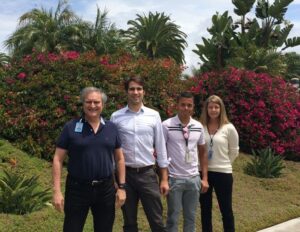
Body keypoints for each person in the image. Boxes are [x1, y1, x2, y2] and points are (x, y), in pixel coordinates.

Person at [52, 87, 126, 232]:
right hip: (77, 188)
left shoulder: (112, 128)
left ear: (102, 105)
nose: (93, 106)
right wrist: (56, 191)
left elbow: (120, 159)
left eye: (96, 102)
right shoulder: (71, 127)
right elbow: (57, 159)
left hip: (105, 189)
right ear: (83, 104)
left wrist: (122, 187)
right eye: (88, 102)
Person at [110, 76, 169, 232]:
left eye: (139, 89)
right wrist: (114, 179)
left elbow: (161, 148)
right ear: (126, 92)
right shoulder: (116, 117)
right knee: (129, 222)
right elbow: (111, 151)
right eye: (132, 89)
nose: (135, 92)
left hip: (148, 174)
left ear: (144, 92)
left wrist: (163, 179)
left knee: (156, 220)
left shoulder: (154, 115)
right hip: (125, 176)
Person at [162, 92, 209, 232]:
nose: (186, 108)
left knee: (191, 217)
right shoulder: (166, 125)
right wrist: (164, 179)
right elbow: (161, 154)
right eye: (183, 104)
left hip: (193, 179)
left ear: (193, 107)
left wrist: (204, 178)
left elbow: (203, 152)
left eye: (189, 105)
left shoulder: (198, 126)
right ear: (177, 105)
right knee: (173, 217)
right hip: (174, 179)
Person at [199, 95, 239, 232]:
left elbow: (234, 151)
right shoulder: (200, 127)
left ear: (221, 109)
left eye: (216, 107)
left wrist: (225, 163)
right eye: (210, 107)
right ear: (206, 109)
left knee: (226, 209)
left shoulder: (229, 128)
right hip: (203, 173)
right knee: (205, 209)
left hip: (223, 173)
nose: (213, 110)